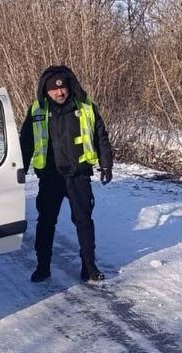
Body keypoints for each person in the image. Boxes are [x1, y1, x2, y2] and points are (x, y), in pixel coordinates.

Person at [20, 65, 114, 283]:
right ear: (46, 90)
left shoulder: (86, 107)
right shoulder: (37, 110)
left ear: (70, 87)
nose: (59, 93)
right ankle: (43, 267)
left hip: (77, 176)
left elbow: (101, 137)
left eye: (62, 89)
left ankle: (89, 267)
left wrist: (106, 164)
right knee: (46, 223)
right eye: (54, 89)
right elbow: (26, 142)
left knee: (84, 222)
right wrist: (20, 170)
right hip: (50, 177)